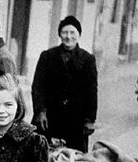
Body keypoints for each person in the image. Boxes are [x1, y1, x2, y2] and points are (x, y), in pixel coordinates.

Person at [32, 15, 98, 153]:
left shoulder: (87, 60)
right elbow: (38, 86)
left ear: (79, 34)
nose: (68, 37)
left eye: (72, 32)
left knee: (75, 157)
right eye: (64, 32)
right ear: (60, 35)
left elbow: (91, 91)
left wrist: (89, 119)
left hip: (76, 119)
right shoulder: (47, 56)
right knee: (44, 154)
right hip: (50, 117)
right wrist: (40, 111)